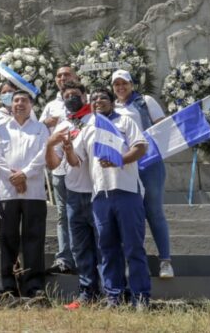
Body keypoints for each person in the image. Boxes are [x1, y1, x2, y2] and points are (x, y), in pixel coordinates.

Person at [73, 87, 151, 308]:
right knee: (107, 249)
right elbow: (76, 160)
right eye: (94, 98)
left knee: (134, 247)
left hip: (127, 192)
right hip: (100, 195)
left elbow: (141, 147)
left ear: (112, 102)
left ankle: (141, 296)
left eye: (103, 98)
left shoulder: (125, 121)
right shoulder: (87, 128)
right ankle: (113, 296)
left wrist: (119, 160)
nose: (98, 101)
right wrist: (68, 149)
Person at [111, 69, 173, 279]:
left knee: (154, 212)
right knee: (130, 216)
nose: (121, 87)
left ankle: (165, 261)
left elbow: (163, 127)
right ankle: (136, 263)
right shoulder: (112, 107)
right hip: (126, 166)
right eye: (116, 84)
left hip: (149, 163)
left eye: (124, 83)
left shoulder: (145, 101)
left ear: (132, 84)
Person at [45, 81, 99, 308]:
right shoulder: (62, 126)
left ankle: (112, 292)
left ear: (85, 97)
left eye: (75, 94)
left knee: (104, 245)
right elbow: (54, 163)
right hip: (74, 194)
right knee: (80, 247)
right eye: (66, 95)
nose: (71, 98)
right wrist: (49, 145)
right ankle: (87, 294)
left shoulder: (95, 120)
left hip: (98, 192)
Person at [0, 89, 49, 297]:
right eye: (16, 100)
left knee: (34, 238)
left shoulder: (41, 129)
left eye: (24, 100)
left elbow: (43, 155)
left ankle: (34, 286)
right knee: (8, 238)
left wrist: (24, 174)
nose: (20, 104)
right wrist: (13, 178)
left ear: (31, 104)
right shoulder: (2, 129)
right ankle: (9, 285)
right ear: (10, 105)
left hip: (33, 192)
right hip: (8, 192)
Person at [40, 64, 79, 275]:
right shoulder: (50, 105)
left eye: (67, 74)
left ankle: (84, 256)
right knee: (63, 215)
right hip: (59, 168)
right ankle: (64, 258)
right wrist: (47, 122)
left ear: (76, 77)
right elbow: (38, 131)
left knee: (83, 214)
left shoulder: (83, 99)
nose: (63, 78)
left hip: (82, 169)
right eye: (59, 75)